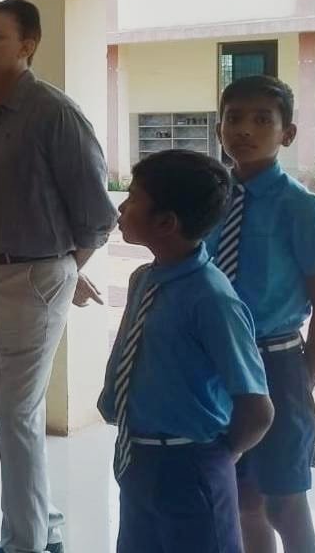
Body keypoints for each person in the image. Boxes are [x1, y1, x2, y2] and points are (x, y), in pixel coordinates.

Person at [0, 0, 117, 553]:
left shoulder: (55, 114)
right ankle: (41, 523)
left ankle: (25, 543)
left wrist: (63, 272)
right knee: (6, 413)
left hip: (35, 279)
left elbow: (98, 217)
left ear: (27, 46)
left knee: (17, 415)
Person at [99, 149, 274, 553]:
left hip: (192, 468)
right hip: (137, 457)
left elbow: (258, 410)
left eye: (133, 197)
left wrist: (215, 459)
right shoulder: (144, 279)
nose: (121, 207)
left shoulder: (212, 299)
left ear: (166, 222)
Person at [204, 76, 315, 553]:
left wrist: (301, 382)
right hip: (216, 363)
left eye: (263, 119)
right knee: (242, 498)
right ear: (219, 128)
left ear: (288, 133)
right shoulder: (211, 200)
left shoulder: (301, 208)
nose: (245, 129)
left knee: (285, 502)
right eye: (234, 118)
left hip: (275, 364)